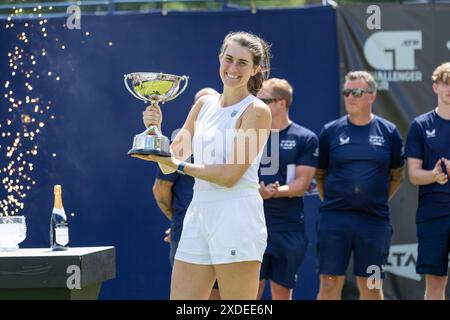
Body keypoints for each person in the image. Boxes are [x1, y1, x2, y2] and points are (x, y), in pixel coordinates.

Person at [133, 31, 272, 300]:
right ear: (220, 58)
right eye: (228, 59)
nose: (232, 68)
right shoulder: (203, 105)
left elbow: (230, 175)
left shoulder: (256, 111)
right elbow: (168, 164)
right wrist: (155, 129)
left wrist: (179, 165)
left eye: (242, 63)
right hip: (198, 215)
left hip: (237, 217)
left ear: (256, 69)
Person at [315, 71, 404, 300]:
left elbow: (396, 175)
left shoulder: (389, 132)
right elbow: (320, 174)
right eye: (346, 92)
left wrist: (374, 201)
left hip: (373, 222)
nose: (350, 97)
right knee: (329, 283)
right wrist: (337, 203)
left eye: (356, 92)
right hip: (335, 220)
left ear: (372, 96)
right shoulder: (330, 131)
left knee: (373, 286)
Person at [152, 87, 221, 300]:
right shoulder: (181, 140)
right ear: (193, 108)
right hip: (185, 233)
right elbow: (161, 188)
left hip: (224, 232)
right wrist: (179, 221)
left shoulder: (227, 139)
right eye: (200, 104)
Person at [256, 78, 318, 300]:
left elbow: (302, 184)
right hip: (252, 225)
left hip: (288, 227)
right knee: (250, 292)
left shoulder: (305, 138)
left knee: (282, 293)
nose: (257, 104)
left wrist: (274, 192)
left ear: (281, 103)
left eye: (263, 100)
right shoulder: (249, 135)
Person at [404, 62, 450, 300]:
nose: (449, 88)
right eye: (445, 82)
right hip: (433, 214)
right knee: (434, 282)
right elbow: (413, 174)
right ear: (435, 87)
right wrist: (434, 175)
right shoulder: (421, 125)